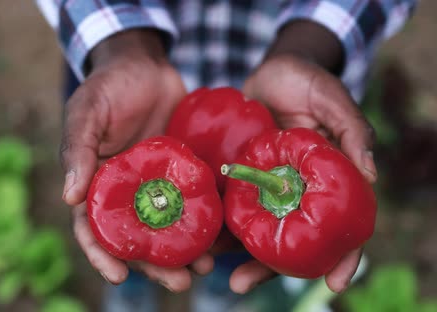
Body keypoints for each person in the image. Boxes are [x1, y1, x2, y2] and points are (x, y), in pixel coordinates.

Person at [35, 0, 417, 310]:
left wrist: (310, 47)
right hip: (132, 91)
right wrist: (119, 44)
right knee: (126, 246)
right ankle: (131, 287)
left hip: (298, 86)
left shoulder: (291, 150)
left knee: (239, 244)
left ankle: (219, 292)